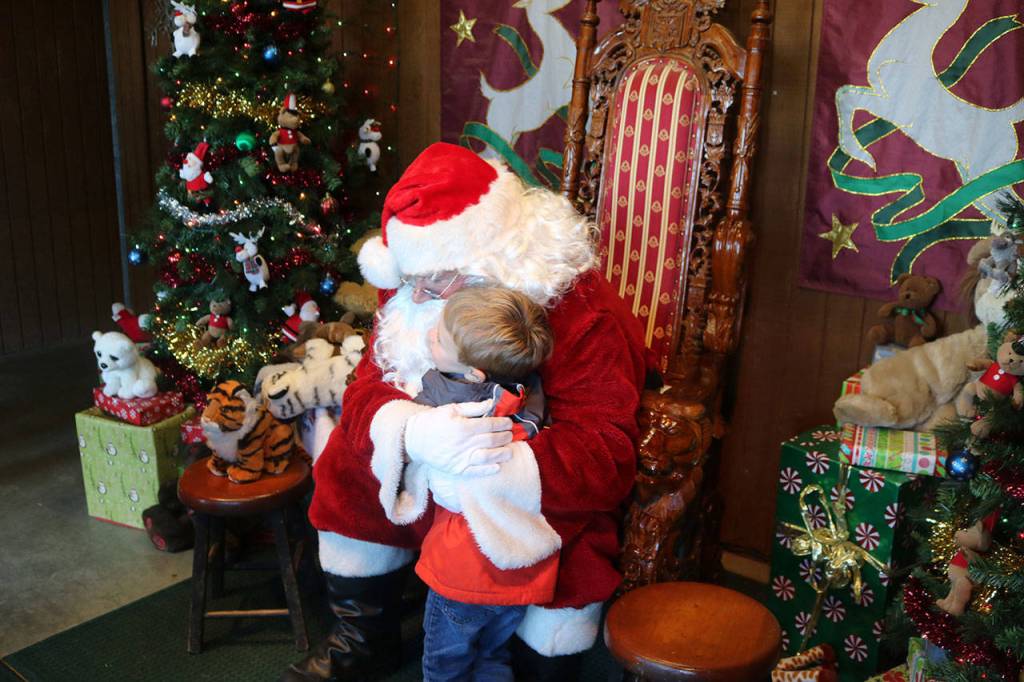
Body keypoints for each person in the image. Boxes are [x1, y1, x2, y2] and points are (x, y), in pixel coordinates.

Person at [281, 142, 648, 682]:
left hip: (519, 475)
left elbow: (604, 450)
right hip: (429, 459)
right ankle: (364, 640)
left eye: (439, 282)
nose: (422, 296)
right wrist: (415, 433)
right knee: (344, 464)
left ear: (497, 256)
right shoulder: (418, 284)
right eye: (413, 280)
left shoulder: (572, 303)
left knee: (568, 572)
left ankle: (529, 655)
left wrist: (485, 467)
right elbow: (366, 394)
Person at [402, 286, 558, 681]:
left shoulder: (442, 395)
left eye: (438, 337)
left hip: (463, 568)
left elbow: (410, 440)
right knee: (492, 656)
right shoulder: (529, 386)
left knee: (445, 666)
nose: (429, 336)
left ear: (474, 373)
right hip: (520, 567)